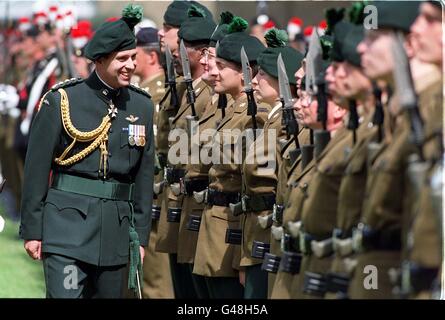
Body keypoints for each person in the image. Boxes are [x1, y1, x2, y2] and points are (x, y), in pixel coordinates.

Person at [20, 4, 155, 298]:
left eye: (133, 57)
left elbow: (144, 178)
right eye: (121, 59)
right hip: (65, 229)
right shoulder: (62, 100)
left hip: (117, 234)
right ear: (100, 60)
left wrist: (141, 237)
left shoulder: (142, 105)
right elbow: (36, 168)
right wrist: (33, 230)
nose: (130, 65)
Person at [192, 16, 268, 298]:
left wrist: (243, 256)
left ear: (245, 73)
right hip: (215, 234)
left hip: (233, 235)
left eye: (222, 67)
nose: (214, 72)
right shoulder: (231, 111)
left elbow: (251, 186)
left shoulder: (255, 116)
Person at [133, 26, 174, 299]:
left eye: (133, 52)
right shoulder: (144, 92)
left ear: (150, 56)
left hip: (156, 195)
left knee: (156, 282)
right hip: (148, 194)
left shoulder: (155, 94)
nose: (129, 59)